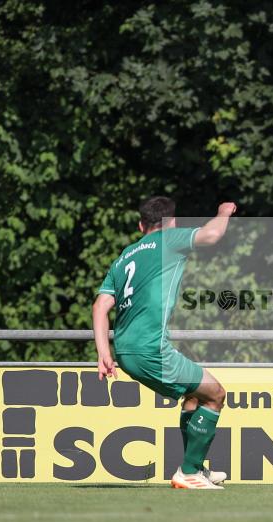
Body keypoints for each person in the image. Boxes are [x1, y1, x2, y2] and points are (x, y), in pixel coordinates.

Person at [93, 196, 236, 490]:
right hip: (150, 349)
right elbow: (212, 234)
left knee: (194, 397)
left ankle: (195, 468)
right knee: (216, 394)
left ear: (140, 224)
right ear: (172, 223)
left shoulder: (124, 257)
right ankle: (188, 472)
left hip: (126, 350)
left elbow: (99, 307)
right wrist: (223, 212)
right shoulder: (169, 240)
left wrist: (103, 354)